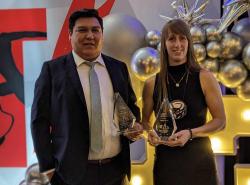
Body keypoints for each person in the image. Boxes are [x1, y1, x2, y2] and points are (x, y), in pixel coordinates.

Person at [31, 9, 142, 185]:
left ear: (102, 34)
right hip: (69, 175)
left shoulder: (118, 68)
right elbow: (39, 122)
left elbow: (131, 107)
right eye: (82, 30)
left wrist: (135, 125)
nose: (90, 35)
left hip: (115, 171)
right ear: (70, 35)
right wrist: (49, 169)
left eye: (95, 30)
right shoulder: (52, 71)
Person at [142, 19, 226, 185]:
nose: (177, 44)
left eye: (182, 38)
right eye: (171, 39)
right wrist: (149, 133)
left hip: (200, 164)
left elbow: (220, 121)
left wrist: (190, 133)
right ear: (164, 44)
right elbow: (145, 122)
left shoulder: (204, 77)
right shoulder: (152, 83)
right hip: (166, 166)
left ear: (189, 42)